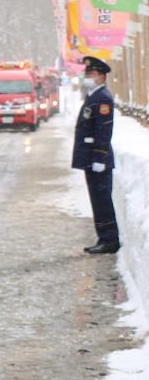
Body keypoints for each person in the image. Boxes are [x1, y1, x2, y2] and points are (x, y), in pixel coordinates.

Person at [76, 55, 120, 254]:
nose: (88, 77)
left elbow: (104, 131)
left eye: (91, 74)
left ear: (102, 76)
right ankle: (103, 237)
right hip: (91, 158)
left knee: (102, 200)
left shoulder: (102, 98)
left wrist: (100, 157)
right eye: (86, 74)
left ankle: (110, 239)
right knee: (97, 199)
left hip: (98, 159)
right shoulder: (93, 95)